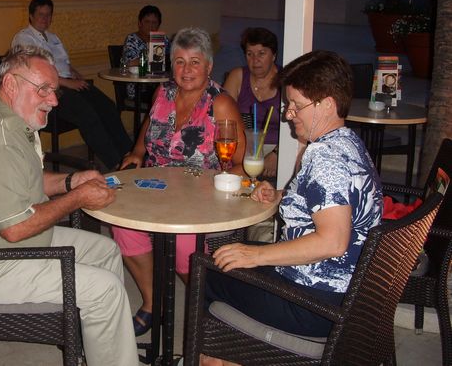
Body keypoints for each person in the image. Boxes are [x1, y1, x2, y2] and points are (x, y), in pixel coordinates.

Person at [0, 45, 139, 366]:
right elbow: (16, 228)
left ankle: (99, 349)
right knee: (106, 290)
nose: (55, 101)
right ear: (11, 85)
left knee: (106, 251)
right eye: (43, 89)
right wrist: (77, 198)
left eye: (55, 90)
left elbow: (27, 182)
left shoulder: (12, 122)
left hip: (5, 247)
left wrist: (72, 182)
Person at [199, 50, 383, 366]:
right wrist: (283, 195)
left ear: (327, 104)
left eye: (297, 105)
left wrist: (254, 256)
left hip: (315, 304)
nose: (288, 114)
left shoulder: (324, 157)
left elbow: (332, 241)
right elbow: (332, 200)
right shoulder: (348, 142)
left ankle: (218, 356)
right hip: (348, 293)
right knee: (227, 257)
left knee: (208, 271)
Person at [114, 27, 246, 336]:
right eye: (180, 62)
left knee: (186, 245)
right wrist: (137, 151)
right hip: (156, 186)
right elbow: (149, 125)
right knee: (124, 227)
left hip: (199, 195)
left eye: (195, 62)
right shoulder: (164, 92)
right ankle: (153, 302)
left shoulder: (220, 104)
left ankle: (206, 305)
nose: (186, 70)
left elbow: (241, 163)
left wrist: (218, 186)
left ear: (209, 66)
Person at [11, 0, 132, 170]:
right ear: (31, 16)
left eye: (48, 15)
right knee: (87, 113)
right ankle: (115, 163)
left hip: (69, 83)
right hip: (47, 91)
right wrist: (67, 83)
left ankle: (128, 154)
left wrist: (75, 74)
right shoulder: (24, 38)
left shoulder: (53, 37)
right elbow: (32, 73)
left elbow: (64, 63)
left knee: (107, 106)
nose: (45, 18)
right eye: (41, 14)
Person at [223, 27, 280, 178]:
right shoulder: (237, 76)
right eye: (250, 54)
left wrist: (277, 154)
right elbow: (224, 121)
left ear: (274, 55)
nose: (255, 60)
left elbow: (296, 128)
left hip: (276, 150)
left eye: (261, 53)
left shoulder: (285, 80)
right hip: (244, 150)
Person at [122, 5, 170, 99]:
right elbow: (130, 63)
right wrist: (154, 57)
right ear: (140, 23)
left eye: (154, 23)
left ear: (159, 25)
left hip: (160, 85)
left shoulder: (162, 39)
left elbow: (171, 58)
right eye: (147, 22)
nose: (151, 26)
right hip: (139, 88)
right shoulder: (132, 39)